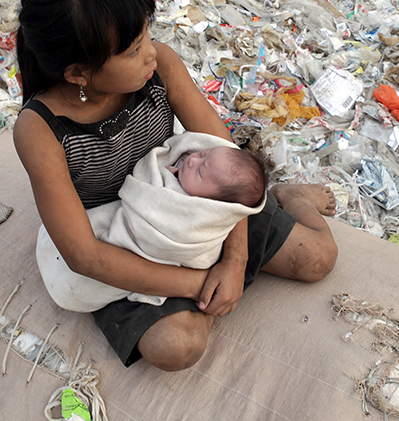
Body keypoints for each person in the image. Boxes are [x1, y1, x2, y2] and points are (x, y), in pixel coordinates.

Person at [13, 0, 338, 371]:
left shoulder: (159, 66)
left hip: (198, 198)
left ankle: (284, 196)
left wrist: (233, 262)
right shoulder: (40, 130)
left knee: (319, 259)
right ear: (78, 73)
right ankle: (193, 292)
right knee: (175, 348)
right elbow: (85, 256)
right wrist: (203, 282)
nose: (151, 52)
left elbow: (223, 148)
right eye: (132, 50)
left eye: (146, 34)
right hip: (126, 239)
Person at [37, 132, 269, 313]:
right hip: (98, 250)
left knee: (305, 259)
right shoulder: (188, 172)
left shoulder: (193, 214)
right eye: (202, 154)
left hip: (155, 247)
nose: (191, 161)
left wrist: (235, 260)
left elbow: (169, 225)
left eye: (200, 173)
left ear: (212, 204)